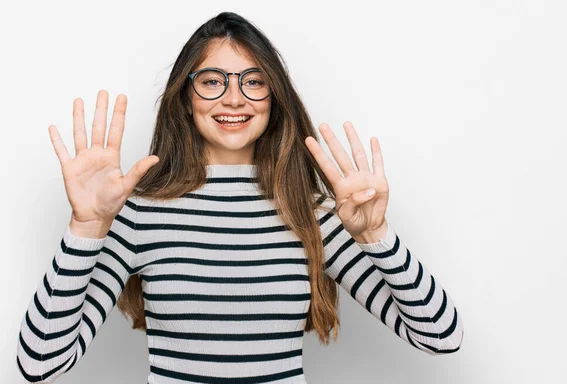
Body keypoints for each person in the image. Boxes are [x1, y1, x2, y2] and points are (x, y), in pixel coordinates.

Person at [16, 11, 463, 384]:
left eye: (254, 80)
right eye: (212, 81)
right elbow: (40, 363)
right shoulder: (139, 214)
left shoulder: (313, 217)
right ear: (185, 96)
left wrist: (377, 236)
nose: (234, 98)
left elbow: (440, 336)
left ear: (274, 95)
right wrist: (86, 229)